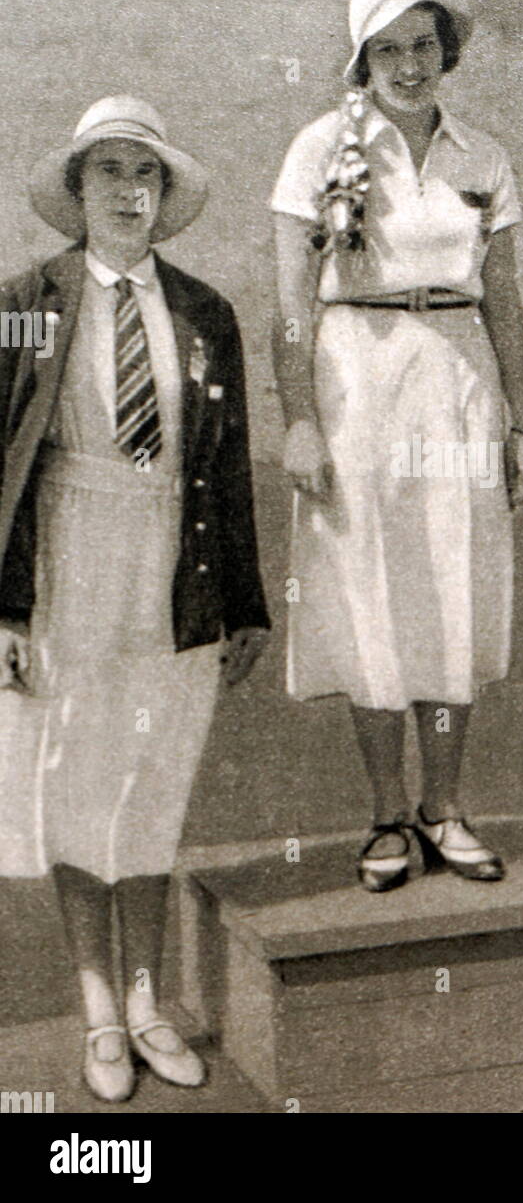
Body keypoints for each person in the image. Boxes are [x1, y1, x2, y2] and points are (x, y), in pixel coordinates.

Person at [0, 97, 270, 1102]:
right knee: (73, 784)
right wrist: (3, 611)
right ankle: (100, 1011)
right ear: (76, 193)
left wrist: (244, 603)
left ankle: (150, 1000)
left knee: (149, 789)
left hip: (176, 564)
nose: (126, 190)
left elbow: (226, 467)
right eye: (105, 171)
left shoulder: (206, 313)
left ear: (163, 195)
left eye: (143, 173)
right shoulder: (25, 300)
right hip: (69, 560)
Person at [270, 0, 523, 893]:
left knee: (450, 583)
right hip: (355, 378)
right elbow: (289, 311)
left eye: (424, 45)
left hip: (458, 378)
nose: (409, 65)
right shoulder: (317, 151)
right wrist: (300, 420)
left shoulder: (483, 157)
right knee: (369, 588)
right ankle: (387, 813)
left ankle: (445, 807)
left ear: (446, 53)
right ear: (362, 59)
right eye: (389, 48)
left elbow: (504, 301)